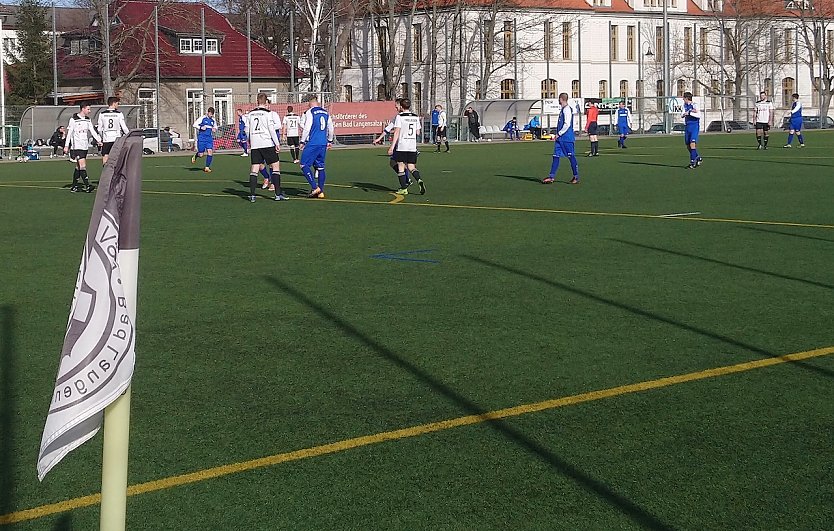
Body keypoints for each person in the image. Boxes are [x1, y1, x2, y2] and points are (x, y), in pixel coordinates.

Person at [244, 93, 285, 203]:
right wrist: (277, 143)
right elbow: (272, 129)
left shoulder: (250, 114)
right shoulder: (268, 114)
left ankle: (252, 196)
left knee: (254, 169)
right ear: (266, 101)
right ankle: (277, 194)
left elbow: (246, 130)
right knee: (276, 167)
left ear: (257, 101)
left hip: (255, 145)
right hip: (267, 143)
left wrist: (249, 141)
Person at [388, 98, 426, 195]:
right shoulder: (415, 116)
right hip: (412, 146)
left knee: (401, 166)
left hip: (402, 145)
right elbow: (418, 132)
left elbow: (397, 132)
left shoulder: (400, 117)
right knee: (412, 167)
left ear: (401, 106)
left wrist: (392, 147)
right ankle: (419, 180)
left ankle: (404, 188)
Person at [299, 95, 334, 199]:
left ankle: (315, 187)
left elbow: (307, 128)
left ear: (310, 103)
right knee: (320, 167)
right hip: (323, 143)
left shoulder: (310, 112)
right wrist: (330, 140)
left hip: (313, 143)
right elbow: (331, 128)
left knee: (303, 165)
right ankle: (321, 191)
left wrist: (302, 141)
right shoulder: (325, 112)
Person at [541, 93, 579, 185]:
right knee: (555, 156)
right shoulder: (562, 109)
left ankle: (576, 176)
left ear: (561, 99)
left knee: (571, 156)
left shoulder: (567, 110)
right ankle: (551, 176)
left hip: (567, 138)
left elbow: (567, 124)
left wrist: (559, 133)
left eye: (559, 99)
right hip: (560, 139)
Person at [63, 102, 102, 193]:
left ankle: (74, 186)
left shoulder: (88, 120)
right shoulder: (73, 119)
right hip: (77, 146)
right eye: (88, 109)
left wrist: (99, 140)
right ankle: (87, 186)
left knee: (78, 167)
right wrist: (66, 145)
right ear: (83, 109)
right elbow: (69, 133)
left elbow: (92, 131)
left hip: (84, 146)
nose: (89, 111)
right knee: (83, 165)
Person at [374, 99, 412, 181]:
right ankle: (411, 179)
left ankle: (406, 181)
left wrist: (380, 139)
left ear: (401, 106)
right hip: (410, 144)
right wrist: (379, 138)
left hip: (400, 144)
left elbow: (390, 129)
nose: (396, 108)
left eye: (396, 106)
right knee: (401, 163)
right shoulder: (412, 116)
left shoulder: (398, 117)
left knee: (398, 163)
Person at [97, 96, 130, 165]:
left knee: (105, 155)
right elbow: (124, 127)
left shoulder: (102, 114)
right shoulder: (119, 114)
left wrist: (102, 137)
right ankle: (115, 173)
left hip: (106, 138)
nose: (118, 105)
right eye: (117, 103)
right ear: (114, 103)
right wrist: (128, 134)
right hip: (116, 138)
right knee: (116, 157)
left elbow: (99, 129)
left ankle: (106, 173)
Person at [681, 92, 703, 169]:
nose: (683, 99)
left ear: (687, 98)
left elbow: (698, 115)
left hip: (694, 126)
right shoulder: (684, 106)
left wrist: (689, 113)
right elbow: (682, 114)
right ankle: (697, 157)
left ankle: (692, 162)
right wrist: (685, 114)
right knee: (688, 146)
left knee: (692, 144)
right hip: (687, 127)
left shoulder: (694, 104)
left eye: (683, 98)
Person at [191, 107, 217, 172]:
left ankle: (207, 167)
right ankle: (196, 155)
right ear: (208, 112)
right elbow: (194, 125)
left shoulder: (213, 120)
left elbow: (215, 127)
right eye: (210, 114)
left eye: (212, 114)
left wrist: (214, 129)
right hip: (202, 138)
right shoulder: (202, 118)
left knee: (210, 152)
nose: (211, 115)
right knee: (201, 155)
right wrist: (200, 127)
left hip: (209, 138)